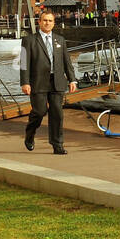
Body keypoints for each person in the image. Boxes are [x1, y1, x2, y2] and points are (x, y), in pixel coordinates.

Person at [19, 8, 77, 154]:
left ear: (54, 23)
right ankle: (30, 133)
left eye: (50, 21)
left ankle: (57, 145)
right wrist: (25, 82)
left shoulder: (60, 40)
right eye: (45, 20)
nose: (47, 23)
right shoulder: (29, 40)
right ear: (39, 22)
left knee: (57, 113)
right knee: (39, 111)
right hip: (37, 82)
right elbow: (24, 63)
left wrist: (72, 80)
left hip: (57, 82)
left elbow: (67, 62)